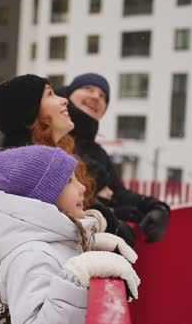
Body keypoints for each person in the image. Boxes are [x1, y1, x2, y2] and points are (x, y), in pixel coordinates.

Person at [0, 75, 136, 324]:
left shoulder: (57, 155)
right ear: (30, 112)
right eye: (49, 94)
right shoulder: (16, 166)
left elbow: (55, 220)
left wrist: (97, 223)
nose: (63, 98)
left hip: (35, 303)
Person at [0, 145, 140, 324]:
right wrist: (76, 275)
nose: (82, 187)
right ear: (43, 198)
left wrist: (88, 245)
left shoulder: (43, 248)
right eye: (69, 181)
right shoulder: (31, 257)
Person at [56, 73, 171, 243]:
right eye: (88, 89)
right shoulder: (52, 136)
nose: (96, 97)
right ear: (68, 94)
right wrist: (111, 217)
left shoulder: (98, 153)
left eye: (103, 96)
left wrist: (155, 206)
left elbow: (118, 193)